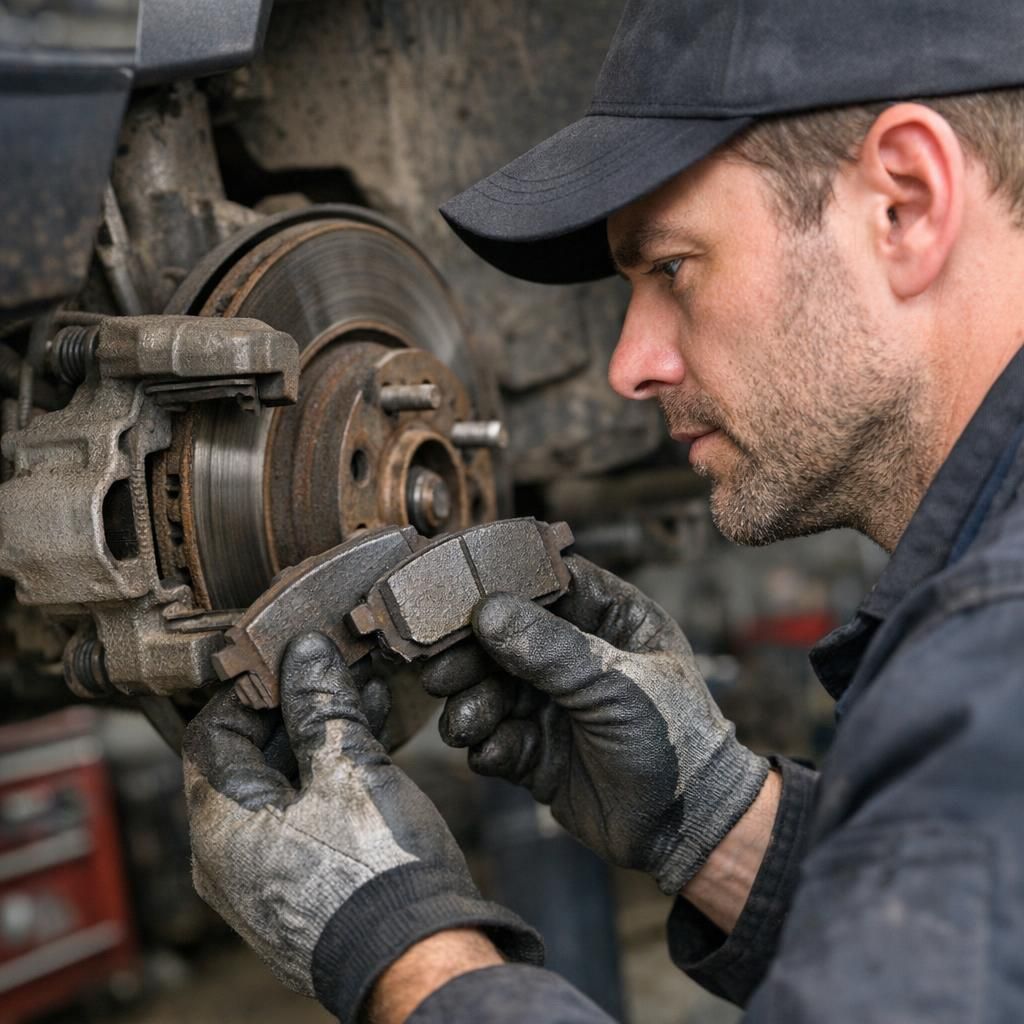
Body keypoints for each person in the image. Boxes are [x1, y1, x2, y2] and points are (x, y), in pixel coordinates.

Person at [183, 0, 1024, 1020]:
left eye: (671, 268)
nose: (630, 364)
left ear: (904, 204)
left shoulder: (996, 656)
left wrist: (405, 952)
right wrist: (715, 821)